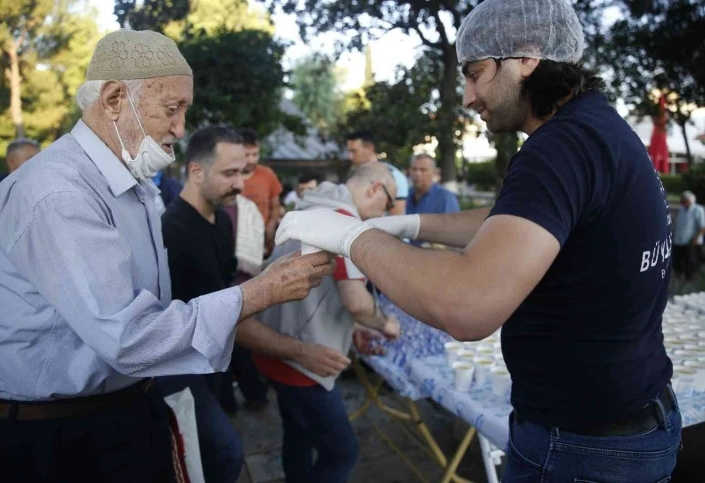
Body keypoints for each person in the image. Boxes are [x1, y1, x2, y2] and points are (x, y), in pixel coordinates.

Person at [276, 0, 681, 481]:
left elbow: (467, 307)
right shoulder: (597, 131)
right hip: (633, 414)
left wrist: (352, 235)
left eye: (476, 73)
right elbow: (520, 225)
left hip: (582, 443)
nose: (468, 96)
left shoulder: (557, 148)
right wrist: (410, 226)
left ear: (527, 57)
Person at [0, 29, 334, 483]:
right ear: (112, 100)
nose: (181, 129)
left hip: (118, 408)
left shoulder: (131, 183)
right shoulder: (58, 192)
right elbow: (129, 336)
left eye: (184, 110)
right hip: (55, 434)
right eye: (172, 109)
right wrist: (259, 293)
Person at [158, 125, 351, 482]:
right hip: (180, 366)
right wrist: (300, 351)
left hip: (213, 362)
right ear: (196, 172)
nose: (240, 184)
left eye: (243, 172)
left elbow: (233, 287)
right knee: (223, 454)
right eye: (229, 173)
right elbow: (230, 315)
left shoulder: (217, 218)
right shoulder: (178, 232)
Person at [256, 162, 401, 483]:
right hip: (305, 361)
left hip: (276, 344)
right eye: (388, 203)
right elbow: (356, 301)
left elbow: (327, 291)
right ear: (374, 189)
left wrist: (357, 327)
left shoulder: (313, 206)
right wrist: (383, 322)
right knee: (341, 453)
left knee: (299, 435)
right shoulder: (346, 224)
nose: (386, 212)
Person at [238, 128, 283, 256]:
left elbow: (275, 206)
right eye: (246, 155)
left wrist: (271, 224)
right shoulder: (228, 178)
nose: (251, 160)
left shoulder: (267, 174)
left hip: (264, 242)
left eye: (255, 154)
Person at [346, 129, 409, 215]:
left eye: (354, 151)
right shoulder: (353, 174)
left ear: (369, 148)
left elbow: (396, 220)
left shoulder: (395, 177)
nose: (350, 156)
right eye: (349, 151)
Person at [673, 190, 705, 281]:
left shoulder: (698, 209)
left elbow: (702, 226)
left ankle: (690, 278)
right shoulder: (682, 209)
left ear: (689, 200)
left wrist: (696, 238)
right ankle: (679, 275)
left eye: (683, 200)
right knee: (678, 260)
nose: (681, 202)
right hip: (679, 240)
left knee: (690, 261)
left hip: (691, 241)